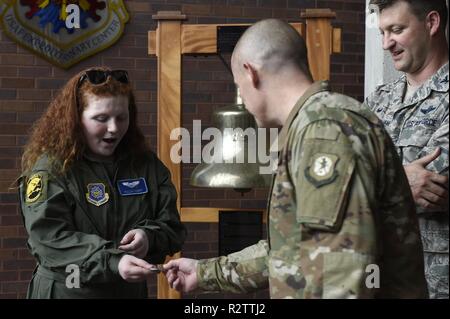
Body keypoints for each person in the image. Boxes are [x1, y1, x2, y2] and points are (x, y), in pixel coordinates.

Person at [163, 19, 428, 298]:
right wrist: (205, 273)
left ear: (250, 74)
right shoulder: (312, 126)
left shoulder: (324, 131)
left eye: (237, 84)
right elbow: (294, 250)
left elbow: (339, 276)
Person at [18, 67, 187, 298]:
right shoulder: (51, 170)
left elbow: (172, 227)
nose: (114, 128)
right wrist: (113, 261)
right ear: (75, 119)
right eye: (101, 118)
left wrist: (149, 237)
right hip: (68, 291)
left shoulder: (144, 164)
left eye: (121, 117)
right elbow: (48, 239)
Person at [366, 0, 449, 299]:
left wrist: (371, 184)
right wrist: (403, 183)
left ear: (432, 23)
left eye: (397, 30)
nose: (387, 43)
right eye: (383, 33)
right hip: (380, 280)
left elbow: (434, 183)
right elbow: (343, 176)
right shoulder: (378, 100)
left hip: (436, 285)